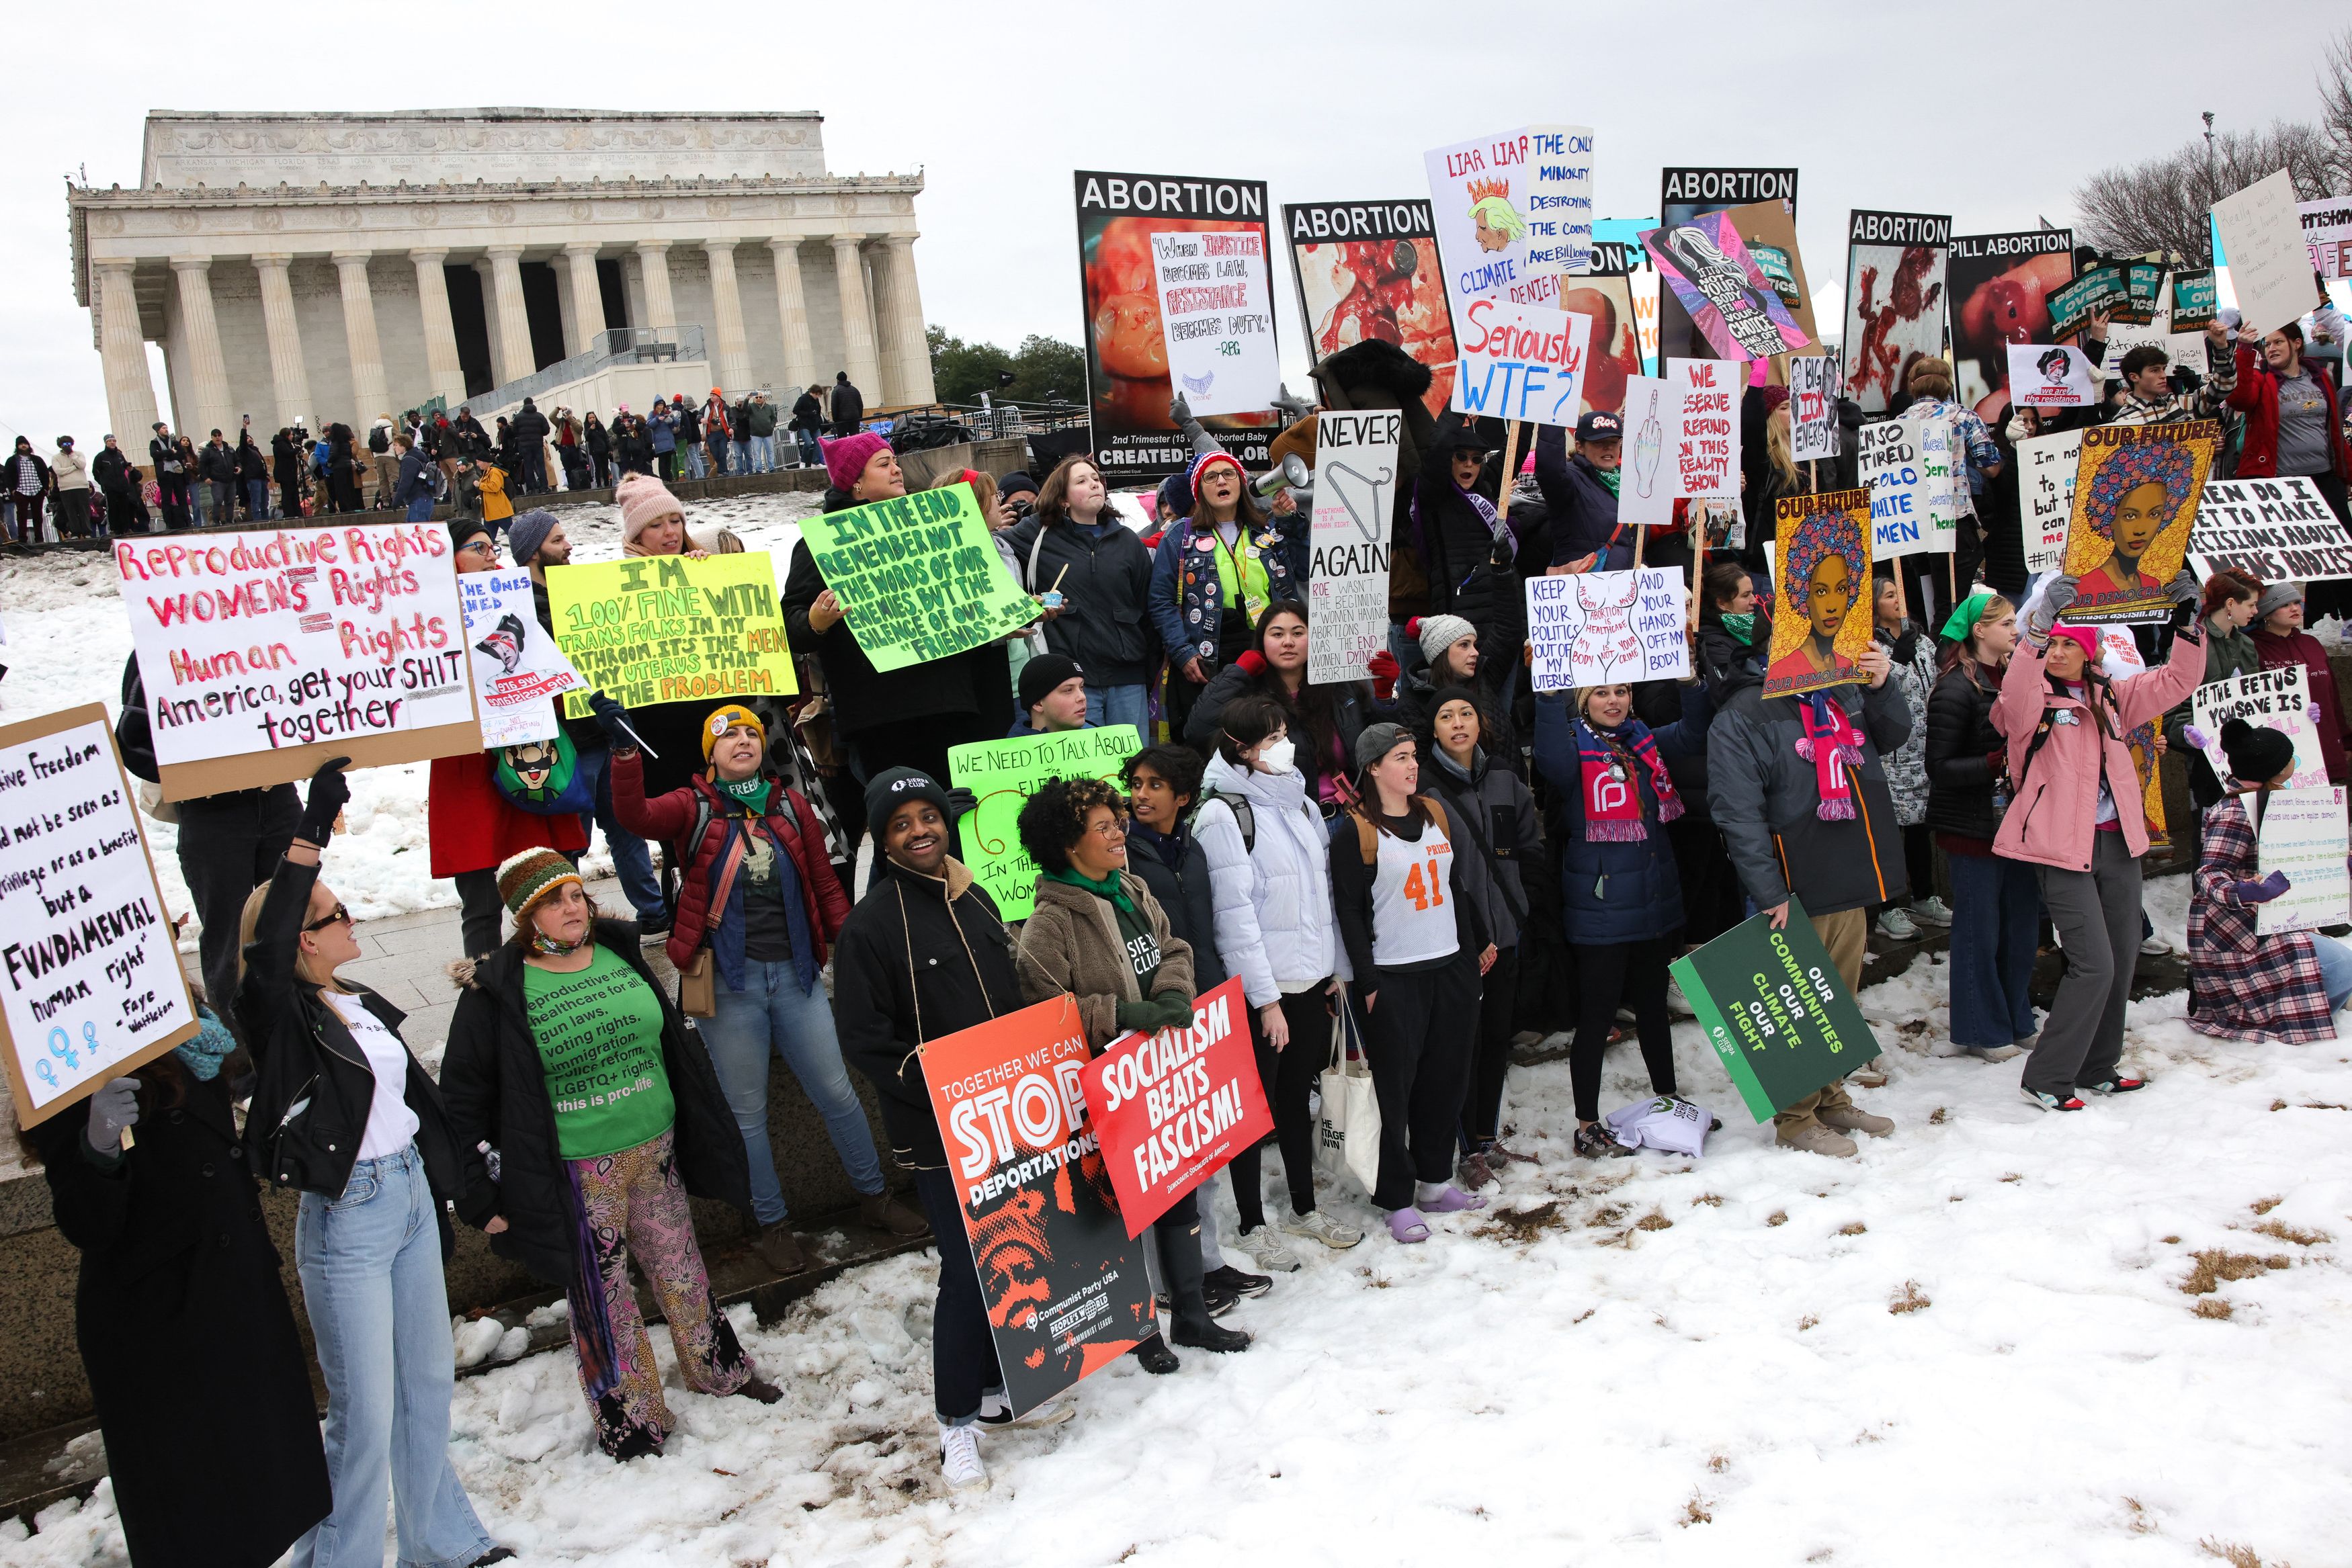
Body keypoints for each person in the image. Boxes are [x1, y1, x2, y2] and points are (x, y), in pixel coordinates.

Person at [235, 760, 509, 1568]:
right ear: (301, 938)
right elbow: (264, 947)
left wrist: (464, 1191)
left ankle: (440, 1543)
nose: (352, 920)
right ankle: (340, 1559)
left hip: (408, 1201)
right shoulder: (279, 1018)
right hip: (348, 1217)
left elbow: (416, 1112)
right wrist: (307, 837)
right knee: (363, 1413)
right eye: (335, 913)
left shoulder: (355, 1002)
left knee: (426, 1387)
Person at [442, 848, 782, 1459]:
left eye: (576, 894)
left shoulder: (620, 951)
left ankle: (718, 1369)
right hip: (576, 1169)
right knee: (604, 1295)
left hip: (655, 1151)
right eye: (553, 901)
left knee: (682, 1269)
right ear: (525, 918)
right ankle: (633, 1417)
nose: (572, 908)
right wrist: (476, 1189)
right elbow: (463, 1098)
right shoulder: (497, 991)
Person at [607, 699, 926, 1273]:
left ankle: (876, 1197)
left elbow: (827, 885)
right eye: (727, 736)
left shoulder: (790, 805)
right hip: (729, 988)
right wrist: (627, 754)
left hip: (797, 979)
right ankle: (773, 1224)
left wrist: (855, 954)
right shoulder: (691, 807)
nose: (742, 742)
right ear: (711, 754)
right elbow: (633, 816)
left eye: (751, 733)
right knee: (746, 1114)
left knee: (839, 1094)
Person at [30, 1004, 333, 1568]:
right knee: (197, 1512)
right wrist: (97, 1146)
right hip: (160, 1322)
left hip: (233, 1292)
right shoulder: (61, 1046)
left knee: (265, 1488)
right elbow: (85, 1223)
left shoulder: (181, 1018)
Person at [833, 768, 1058, 1492]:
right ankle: (954, 1422)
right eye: (902, 824)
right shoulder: (868, 927)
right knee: (966, 1274)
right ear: (883, 840)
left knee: (1010, 1255)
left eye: (928, 816)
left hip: (1007, 1115)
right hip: (939, 1132)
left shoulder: (976, 897)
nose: (920, 830)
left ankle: (994, 1391)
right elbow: (865, 1040)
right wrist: (939, 1088)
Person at [1011, 775, 1253, 1370]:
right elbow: (1047, 1011)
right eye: (1104, 828)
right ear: (1070, 845)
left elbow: (1175, 948)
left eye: (1118, 822)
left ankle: (1192, 1315)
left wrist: (1171, 994)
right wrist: (1121, 1014)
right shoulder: (1050, 922)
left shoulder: (1132, 888)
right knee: (1128, 1216)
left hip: (1164, 1076)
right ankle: (1141, 1329)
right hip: (1109, 1093)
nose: (1121, 833)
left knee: (1180, 1198)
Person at [1992, 572, 2204, 1110]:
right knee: (2094, 964)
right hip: (2060, 847)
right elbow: (2014, 691)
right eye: (2053, 643)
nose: (2059, 651)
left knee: (2124, 955)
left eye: (2070, 643)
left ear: (2089, 654)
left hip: (2118, 841)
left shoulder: (2111, 696)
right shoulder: (2028, 701)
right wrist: (2037, 629)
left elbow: (2178, 681)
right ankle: (2048, 1076)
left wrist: (2187, 623)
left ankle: (2097, 1066)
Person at [1708, 621, 1910, 1153]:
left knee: (1837, 998)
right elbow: (1737, 813)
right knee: (1796, 1002)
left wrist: (1880, 684)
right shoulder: (1744, 712)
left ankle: (1830, 1098)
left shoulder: (1842, 689)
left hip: (1849, 870)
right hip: (1794, 880)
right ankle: (1796, 1119)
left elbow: (1894, 734)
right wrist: (1769, 890)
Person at [1195, 694, 1363, 1268]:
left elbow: (1324, 898)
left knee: (1296, 1100)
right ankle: (1249, 1222)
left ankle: (1302, 1206)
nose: (1284, 746)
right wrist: (1265, 1001)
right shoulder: (1224, 813)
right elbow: (1233, 919)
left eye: (1285, 733)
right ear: (1241, 749)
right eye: (1270, 738)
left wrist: (1335, 971)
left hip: (1310, 982)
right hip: (1265, 994)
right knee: (1253, 1110)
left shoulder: (1299, 801)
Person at [783, 433, 1019, 805]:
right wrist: (816, 621)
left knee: (959, 823)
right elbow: (792, 625)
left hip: (953, 704)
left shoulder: (934, 528)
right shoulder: (820, 544)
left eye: (895, 461)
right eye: (884, 464)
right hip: (883, 718)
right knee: (902, 829)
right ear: (856, 484)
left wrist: (998, 618)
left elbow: (965, 593)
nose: (897, 470)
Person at [1533, 672, 1712, 1158]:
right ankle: (1586, 1125)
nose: (1613, 701)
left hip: (1653, 903)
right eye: (1601, 693)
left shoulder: (1643, 739)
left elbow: (1696, 734)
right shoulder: (1570, 745)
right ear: (1583, 700)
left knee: (1654, 1008)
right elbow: (1548, 758)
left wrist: (1692, 684)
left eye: (1621, 691)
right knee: (1597, 1017)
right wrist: (1549, 696)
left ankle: (1668, 1100)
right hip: (1602, 908)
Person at [1122, 744, 1271, 1303]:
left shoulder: (1193, 847)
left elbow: (1208, 927)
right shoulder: (1124, 855)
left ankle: (1204, 1264)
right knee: (1163, 1155)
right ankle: (1167, 1282)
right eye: (1135, 784)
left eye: (1155, 785)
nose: (1141, 794)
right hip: (1156, 1017)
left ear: (1183, 796)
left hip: (1205, 1006)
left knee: (1200, 1146)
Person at [1333, 724, 1494, 1240]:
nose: (1412, 765)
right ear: (1374, 768)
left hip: (1448, 967)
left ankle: (1433, 1180)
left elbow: (1454, 888)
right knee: (1395, 1094)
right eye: (1400, 757)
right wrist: (1371, 981)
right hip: (1395, 977)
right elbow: (1351, 913)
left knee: (1444, 1083)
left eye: (1413, 755)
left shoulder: (1435, 814)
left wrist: (1473, 951)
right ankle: (1397, 1197)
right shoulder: (1354, 831)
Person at [427, 521, 589, 957]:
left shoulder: (520, 602)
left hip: (530, 754)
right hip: (468, 766)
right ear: (450, 557)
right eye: (478, 547)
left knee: (552, 888)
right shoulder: (425, 617)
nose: (491, 555)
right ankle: (487, 994)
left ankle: (564, 977)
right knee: (480, 904)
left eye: (493, 547)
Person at [507, 509, 669, 934]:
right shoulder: (519, 606)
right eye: (558, 541)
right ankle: (564, 922)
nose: (569, 547)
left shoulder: (581, 591)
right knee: (570, 840)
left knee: (626, 830)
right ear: (532, 552)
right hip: (564, 742)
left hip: (603, 729)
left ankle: (653, 912)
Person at [1419, 686, 1540, 1184]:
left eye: (1466, 713)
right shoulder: (1424, 789)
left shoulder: (1507, 779)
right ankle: (1464, 1145)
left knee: (1496, 1040)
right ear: (1434, 730)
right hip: (1457, 943)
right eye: (1446, 716)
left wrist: (1525, 904)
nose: (1458, 723)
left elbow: (1530, 845)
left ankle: (1486, 1137)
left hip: (1506, 934)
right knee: (1460, 1046)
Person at [1923, 591, 2041, 1062]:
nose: (2016, 629)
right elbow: (1941, 766)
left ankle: (2015, 1018)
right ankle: (1981, 1030)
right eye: (2007, 623)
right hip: (1973, 829)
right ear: (1979, 630)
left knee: (2020, 926)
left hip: (2016, 824)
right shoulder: (1955, 688)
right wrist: (1997, 761)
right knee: (1980, 931)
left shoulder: (2012, 675)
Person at [2185, 718, 2352, 1041]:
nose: (2294, 762)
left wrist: (2333, 864)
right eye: (2289, 757)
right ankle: (2255, 1007)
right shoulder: (2236, 812)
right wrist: (2247, 891)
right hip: (2234, 930)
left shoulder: (2280, 801)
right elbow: (2209, 873)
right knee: (2340, 964)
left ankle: (2305, 1003)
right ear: (2275, 769)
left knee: (2337, 962)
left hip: (2275, 917)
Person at [1150, 443, 1306, 737]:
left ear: (1240, 483)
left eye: (1228, 474)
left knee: (1269, 733)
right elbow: (1161, 601)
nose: (1221, 481)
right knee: (1213, 736)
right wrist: (1183, 652)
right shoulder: (1179, 536)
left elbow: (1305, 568)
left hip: (1264, 648)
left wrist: (1289, 522)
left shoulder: (1267, 528)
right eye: (1210, 477)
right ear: (1199, 490)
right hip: (1208, 655)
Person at [1001, 454, 1158, 733]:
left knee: (1133, 764)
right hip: (1069, 681)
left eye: (1096, 479)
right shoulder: (1038, 534)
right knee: (1083, 774)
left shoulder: (1129, 541)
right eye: (1082, 481)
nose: (1095, 485)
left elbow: (1148, 608)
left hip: (1128, 677)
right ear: (1063, 498)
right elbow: (988, 550)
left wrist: (1148, 670)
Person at [1183, 602, 1373, 810]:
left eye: (1298, 633)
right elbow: (1196, 731)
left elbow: (1379, 743)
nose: (1288, 642)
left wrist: (1384, 699)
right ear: (1261, 641)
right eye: (1277, 634)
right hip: (1286, 819)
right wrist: (1237, 672)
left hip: (1352, 813)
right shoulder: (1247, 695)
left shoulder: (1340, 687)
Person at [1871, 576, 1944, 939]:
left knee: (1920, 827)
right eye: (1889, 595)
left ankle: (1925, 896)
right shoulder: (1868, 647)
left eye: (1899, 592)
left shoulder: (1924, 642)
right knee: (1890, 830)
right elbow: (1878, 690)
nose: (1898, 599)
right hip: (1891, 754)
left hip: (1924, 750)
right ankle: (1888, 906)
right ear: (1875, 606)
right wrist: (1897, 658)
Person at [2228, 321, 2352, 529]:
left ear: (2296, 343)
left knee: (2342, 550)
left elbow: (2334, 431)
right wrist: (2244, 349)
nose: (2271, 349)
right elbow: (2239, 399)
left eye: (2278, 342)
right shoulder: (2262, 380)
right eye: (2267, 345)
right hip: (2281, 486)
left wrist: (2347, 472)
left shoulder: (2321, 377)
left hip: (2324, 479)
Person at [2162, 569, 2265, 811]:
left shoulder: (2248, 645)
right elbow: (2170, 710)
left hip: (2250, 765)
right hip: (2208, 769)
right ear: (2230, 604)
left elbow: (2262, 698)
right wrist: (2188, 734)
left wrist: (2297, 711)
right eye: (2251, 604)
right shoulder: (2190, 645)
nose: (2256, 611)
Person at [2248, 581, 2347, 784]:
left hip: (2326, 746)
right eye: (2284, 604)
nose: (2295, 608)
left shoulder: (2311, 644)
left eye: (2296, 602)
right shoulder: (2252, 648)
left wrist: (2345, 741)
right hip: (2282, 756)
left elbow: (2333, 699)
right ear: (2266, 612)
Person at [1410, 412, 1507, 613]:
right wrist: (1459, 406)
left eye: (1477, 458)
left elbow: (1515, 450)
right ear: (1449, 460)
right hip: (1455, 609)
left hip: (1493, 608)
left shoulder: (1487, 486)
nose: (1469, 464)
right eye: (1461, 456)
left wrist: (1534, 413)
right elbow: (1439, 447)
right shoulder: (1434, 493)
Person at [1767, 503, 1868, 689]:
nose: (1832, 606)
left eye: (1841, 589)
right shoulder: (1783, 672)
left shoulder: (1851, 665)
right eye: (1821, 591)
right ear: (1803, 594)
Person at [1536, 410, 1625, 574]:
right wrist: (1554, 413)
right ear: (1580, 447)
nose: (1608, 447)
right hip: (1584, 591)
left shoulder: (1633, 486)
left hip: (1628, 590)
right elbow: (1549, 468)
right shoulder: (1570, 480)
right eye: (1599, 442)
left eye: (1613, 441)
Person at [1011, 652, 1091, 736]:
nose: (1082, 697)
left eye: (1081, 688)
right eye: (1068, 690)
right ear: (1038, 703)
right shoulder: (1015, 748)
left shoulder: (1095, 738)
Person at [93, 434, 149, 534]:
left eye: (114, 441)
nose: (112, 442)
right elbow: (95, 472)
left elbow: (126, 468)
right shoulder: (101, 457)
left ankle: (127, 528)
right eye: (110, 441)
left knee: (125, 508)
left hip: (123, 488)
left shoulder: (120, 456)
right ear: (106, 443)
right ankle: (114, 529)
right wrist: (104, 483)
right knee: (113, 509)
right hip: (110, 489)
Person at [48, 435, 93, 538]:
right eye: (64, 444)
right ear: (60, 445)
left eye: (69, 444)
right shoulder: (56, 458)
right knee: (71, 511)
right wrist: (73, 468)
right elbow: (58, 471)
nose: (67, 446)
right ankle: (75, 532)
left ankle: (87, 532)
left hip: (81, 486)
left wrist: (72, 455)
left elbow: (82, 465)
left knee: (84, 510)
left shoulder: (78, 454)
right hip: (66, 488)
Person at [391, 434, 437, 522]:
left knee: (417, 531)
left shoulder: (409, 460)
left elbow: (405, 483)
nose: (394, 448)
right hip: (425, 498)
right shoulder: (418, 456)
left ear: (404, 446)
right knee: (411, 530)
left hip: (418, 499)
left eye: (396, 445)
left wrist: (396, 501)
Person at [742, 390, 779, 473]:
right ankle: (758, 469)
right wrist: (747, 398)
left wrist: (772, 426)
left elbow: (774, 418)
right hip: (756, 434)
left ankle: (772, 467)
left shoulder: (769, 407)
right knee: (757, 453)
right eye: (757, 397)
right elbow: (744, 408)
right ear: (754, 398)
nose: (758, 399)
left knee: (770, 452)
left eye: (760, 397)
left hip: (768, 433)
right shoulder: (751, 407)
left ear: (763, 398)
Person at [274, 426, 306, 519]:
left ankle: (297, 512)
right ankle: (289, 513)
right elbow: (289, 453)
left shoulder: (285, 443)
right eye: (291, 435)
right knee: (287, 493)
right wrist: (298, 447)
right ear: (287, 435)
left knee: (294, 493)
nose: (293, 437)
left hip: (290, 473)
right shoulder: (280, 444)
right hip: (285, 474)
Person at [790, 385, 825, 467]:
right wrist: (808, 414)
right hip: (805, 425)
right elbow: (796, 410)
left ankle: (815, 462)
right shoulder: (803, 399)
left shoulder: (816, 401)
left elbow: (818, 411)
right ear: (813, 393)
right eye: (817, 394)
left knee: (819, 442)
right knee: (808, 443)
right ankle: (803, 461)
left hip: (815, 425)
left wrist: (818, 420)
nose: (818, 397)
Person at [702, 389, 732, 477]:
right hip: (711, 433)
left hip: (722, 433)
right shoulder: (707, 407)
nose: (711, 397)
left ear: (718, 396)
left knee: (723, 452)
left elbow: (731, 419)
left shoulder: (725, 407)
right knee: (715, 453)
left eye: (713, 395)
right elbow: (700, 414)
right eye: (711, 395)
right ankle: (721, 470)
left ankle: (723, 471)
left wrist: (732, 428)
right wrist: (701, 419)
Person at [583, 410, 614, 488]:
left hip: (604, 450)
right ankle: (599, 484)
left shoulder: (600, 426)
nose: (592, 419)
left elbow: (606, 438)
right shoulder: (587, 428)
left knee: (605, 467)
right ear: (588, 419)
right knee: (597, 468)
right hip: (595, 451)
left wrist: (610, 448)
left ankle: (607, 484)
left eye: (593, 417)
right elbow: (587, 438)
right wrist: (591, 429)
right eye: (590, 418)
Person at [830, 370, 864, 437]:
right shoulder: (855, 390)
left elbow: (834, 407)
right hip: (855, 418)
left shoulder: (836, 391)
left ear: (837, 380)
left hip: (842, 420)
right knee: (855, 439)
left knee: (843, 440)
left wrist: (835, 420)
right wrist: (859, 417)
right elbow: (860, 405)